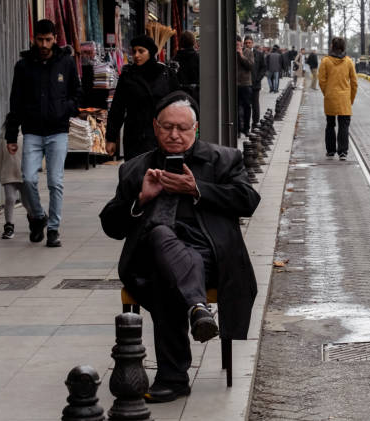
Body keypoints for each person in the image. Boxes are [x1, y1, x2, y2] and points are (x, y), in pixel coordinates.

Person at [99, 91, 261, 404]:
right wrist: (141, 199)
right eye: (167, 127)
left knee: (167, 277)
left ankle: (173, 378)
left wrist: (197, 188)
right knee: (160, 238)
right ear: (155, 128)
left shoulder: (223, 160)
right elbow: (111, 226)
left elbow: (248, 201)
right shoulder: (135, 169)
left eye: (183, 128)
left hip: (210, 257)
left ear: (195, 129)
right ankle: (196, 308)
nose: (175, 135)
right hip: (149, 261)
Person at [5, 19, 82, 247]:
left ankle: (53, 229)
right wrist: (11, 135)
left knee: (55, 182)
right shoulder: (24, 66)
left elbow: (77, 94)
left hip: (58, 131)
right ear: (34, 38)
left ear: (55, 38)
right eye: (40, 39)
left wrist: (64, 109)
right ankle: (38, 217)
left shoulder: (66, 63)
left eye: (48, 39)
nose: (44, 44)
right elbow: (15, 102)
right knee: (27, 179)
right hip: (32, 132)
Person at [106, 35, 179, 161]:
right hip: (135, 136)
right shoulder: (128, 76)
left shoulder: (166, 74)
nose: (136, 55)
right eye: (134, 51)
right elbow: (117, 109)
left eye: (141, 51)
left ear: (150, 52)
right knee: (135, 175)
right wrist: (111, 138)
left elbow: (178, 105)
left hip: (162, 135)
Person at [318, 37, 357, 161]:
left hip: (330, 97)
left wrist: (327, 92)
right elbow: (354, 83)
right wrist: (351, 98)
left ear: (332, 46)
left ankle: (330, 151)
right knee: (344, 125)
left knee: (330, 124)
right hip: (345, 98)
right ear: (343, 47)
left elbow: (321, 80)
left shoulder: (325, 61)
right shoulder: (349, 62)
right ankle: (343, 152)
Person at [0, 119, 28, 240]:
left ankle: (35, 219)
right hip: (8, 173)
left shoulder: (27, 135)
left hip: (24, 174)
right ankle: (9, 226)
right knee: (10, 199)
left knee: (27, 202)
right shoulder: (3, 136)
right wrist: (0, 175)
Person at [171, 31, 200, 105]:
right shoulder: (199, 59)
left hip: (179, 97)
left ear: (180, 43)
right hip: (196, 97)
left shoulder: (174, 59)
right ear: (193, 42)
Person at [236, 35, 254, 136]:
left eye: (238, 45)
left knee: (247, 106)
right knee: (236, 107)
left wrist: (241, 55)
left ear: (241, 44)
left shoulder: (248, 52)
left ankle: (247, 128)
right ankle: (238, 129)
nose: (237, 47)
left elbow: (250, 66)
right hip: (235, 84)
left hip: (246, 84)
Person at [248, 38, 266, 127]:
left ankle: (255, 123)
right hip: (245, 84)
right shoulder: (241, 53)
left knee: (255, 105)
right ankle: (244, 126)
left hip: (255, 84)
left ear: (252, 43)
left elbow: (263, 68)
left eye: (249, 43)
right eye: (246, 43)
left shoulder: (259, 54)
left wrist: (258, 78)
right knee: (246, 105)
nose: (248, 44)